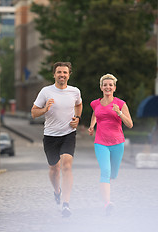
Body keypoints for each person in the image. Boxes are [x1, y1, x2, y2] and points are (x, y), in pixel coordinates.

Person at [31, 62, 82, 217]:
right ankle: (57, 191)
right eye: (59, 72)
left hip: (68, 134)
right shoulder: (46, 92)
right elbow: (34, 113)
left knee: (66, 165)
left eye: (65, 72)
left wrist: (77, 118)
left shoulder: (75, 91)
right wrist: (45, 109)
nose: (62, 75)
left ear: (69, 74)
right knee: (54, 169)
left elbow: (79, 105)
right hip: (50, 136)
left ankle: (66, 204)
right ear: (54, 74)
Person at [87, 73, 133, 216]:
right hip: (100, 143)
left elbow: (130, 124)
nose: (108, 87)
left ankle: (106, 186)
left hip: (118, 143)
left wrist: (119, 113)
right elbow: (95, 113)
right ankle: (107, 203)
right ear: (101, 87)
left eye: (110, 85)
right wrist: (92, 126)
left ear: (114, 87)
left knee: (113, 173)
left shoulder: (120, 104)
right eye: (105, 85)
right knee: (105, 172)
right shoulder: (95, 103)